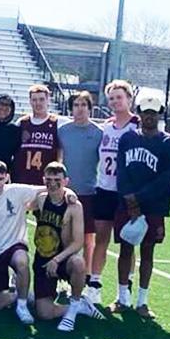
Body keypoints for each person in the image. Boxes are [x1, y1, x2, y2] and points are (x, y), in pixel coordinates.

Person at [111, 91, 170, 318]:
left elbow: (166, 179)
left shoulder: (169, 144)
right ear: (139, 114)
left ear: (160, 114)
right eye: (145, 112)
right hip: (126, 203)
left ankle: (142, 301)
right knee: (125, 249)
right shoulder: (127, 138)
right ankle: (122, 297)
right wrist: (128, 198)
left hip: (153, 207)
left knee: (148, 252)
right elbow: (121, 171)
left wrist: (138, 199)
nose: (149, 117)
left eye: (153, 113)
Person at [0, 161, 52, 324]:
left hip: (16, 245)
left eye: (1, 178)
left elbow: (47, 188)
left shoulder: (16, 191)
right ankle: (18, 294)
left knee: (22, 261)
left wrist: (69, 193)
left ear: (7, 177)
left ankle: (22, 306)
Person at [31, 162, 105, 332]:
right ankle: (82, 308)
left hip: (63, 258)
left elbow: (78, 242)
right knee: (44, 314)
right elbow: (24, 204)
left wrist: (57, 260)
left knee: (79, 263)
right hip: (43, 258)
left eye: (57, 179)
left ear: (66, 181)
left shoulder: (74, 207)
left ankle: (73, 307)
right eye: (48, 179)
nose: (52, 183)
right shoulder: (41, 199)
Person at [87, 80, 139, 305]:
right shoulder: (105, 127)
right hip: (105, 189)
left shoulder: (137, 126)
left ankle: (125, 287)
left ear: (129, 98)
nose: (115, 101)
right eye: (112, 98)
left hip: (127, 193)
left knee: (128, 241)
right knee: (101, 239)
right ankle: (95, 285)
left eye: (119, 97)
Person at [58, 91, 102, 277]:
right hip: (67, 192)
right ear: (71, 108)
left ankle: (87, 275)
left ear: (90, 108)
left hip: (89, 191)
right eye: (76, 105)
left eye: (84, 105)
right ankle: (65, 274)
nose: (80, 108)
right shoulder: (63, 131)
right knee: (65, 236)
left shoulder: (99, 132)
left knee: (87, 238)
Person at [13, 84, 61, 185]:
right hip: (22, 179)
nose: (38, 103)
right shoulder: (22, 123)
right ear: (30, 101)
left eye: (41, 99)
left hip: (46, 181)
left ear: (48, 100)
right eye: (34, 100)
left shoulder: (57, 122)